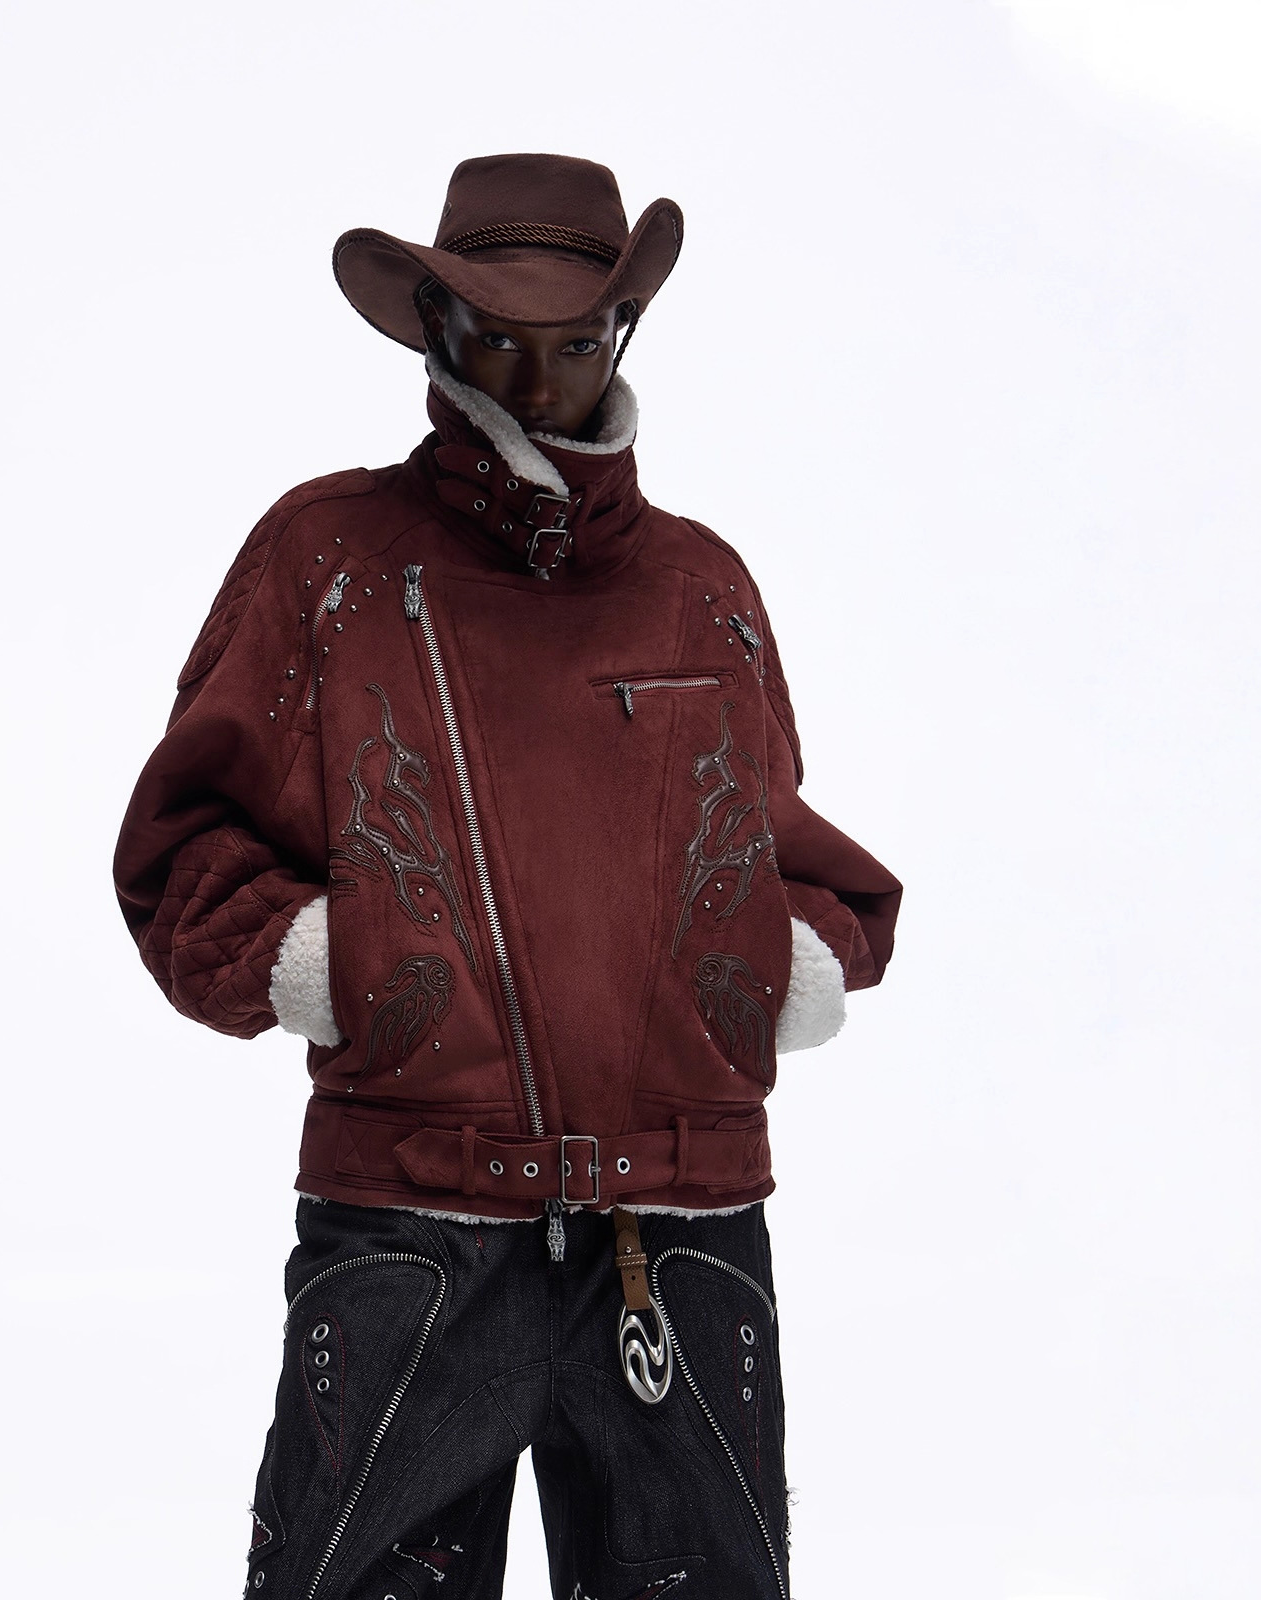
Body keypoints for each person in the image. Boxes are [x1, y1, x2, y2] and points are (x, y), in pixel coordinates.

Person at [112, 152, 902, 1600]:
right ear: (435, 329)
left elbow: (781, 846)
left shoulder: (700, 587)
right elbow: (183, 855)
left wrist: (766, 969)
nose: (536, 380)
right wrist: (344, 968)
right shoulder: (329, 558)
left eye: (575, 340)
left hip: (678, 1224)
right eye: (496, 336)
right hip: (413, 1227)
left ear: (623, 333)